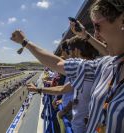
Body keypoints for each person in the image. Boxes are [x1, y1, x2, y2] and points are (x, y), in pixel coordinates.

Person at [10, 1, 124, 132]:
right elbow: (58, 63)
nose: (96, 35)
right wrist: (25, 42)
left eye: (97, 26)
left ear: (122, 20)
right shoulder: (105, 66)